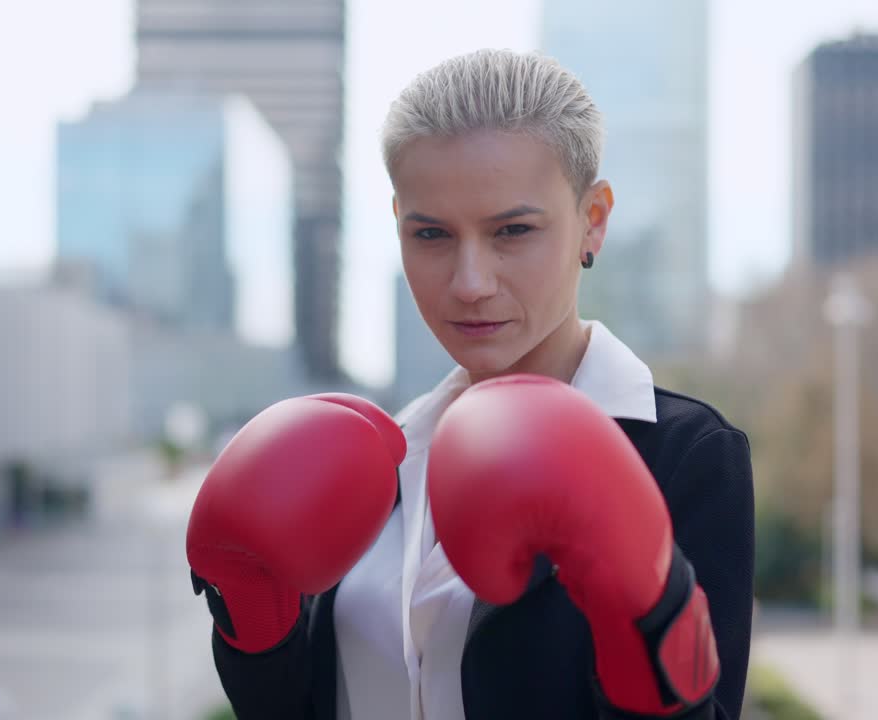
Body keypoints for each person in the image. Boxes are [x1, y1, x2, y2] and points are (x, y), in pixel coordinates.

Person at [186, 49, 754, 720]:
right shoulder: (376, 461)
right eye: (430, 233)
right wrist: (253, 624)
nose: (469, 282)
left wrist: (651, 616)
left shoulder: (684, 456)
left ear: (592, 219)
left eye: (513, 230)